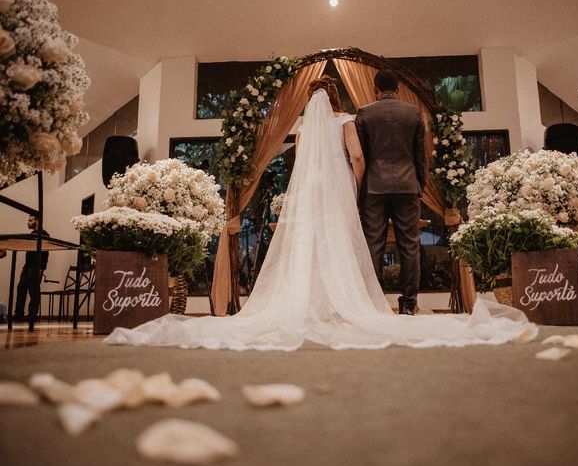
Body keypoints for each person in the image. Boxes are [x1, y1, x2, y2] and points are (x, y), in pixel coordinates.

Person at [105, 78, 536, 350]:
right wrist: (357, 183)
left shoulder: (307, 130)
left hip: (312, 196)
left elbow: (304, 163)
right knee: (382, 249)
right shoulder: (351, 118)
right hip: (372, 190)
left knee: (323, 248)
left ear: (310, 100)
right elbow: (357, 158)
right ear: (336, 97)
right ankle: (398, 304)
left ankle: (315, 301)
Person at [356, 69, 425, 316]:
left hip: (374, 187)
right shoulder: (414, 113)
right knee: (410, 245)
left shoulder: (364, 113)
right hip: (407, 187)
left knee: (374, 245)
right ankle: (408, 303)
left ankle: (375, 302)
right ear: (398, 89)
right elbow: (420, 156)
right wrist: (420, 185)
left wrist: (360, 190)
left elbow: (361, 156)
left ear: (375, 89)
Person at [14, 215, 49, 323]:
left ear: (37, 221)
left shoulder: (43, 234)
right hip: (28, 266)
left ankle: (32, 315)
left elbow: (45, 253)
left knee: (33, 292)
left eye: (30, 220)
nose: (28, 222)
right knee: (21, 289)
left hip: (35, 267)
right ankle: (19, 314)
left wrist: (41, 269)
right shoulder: (34, 234)